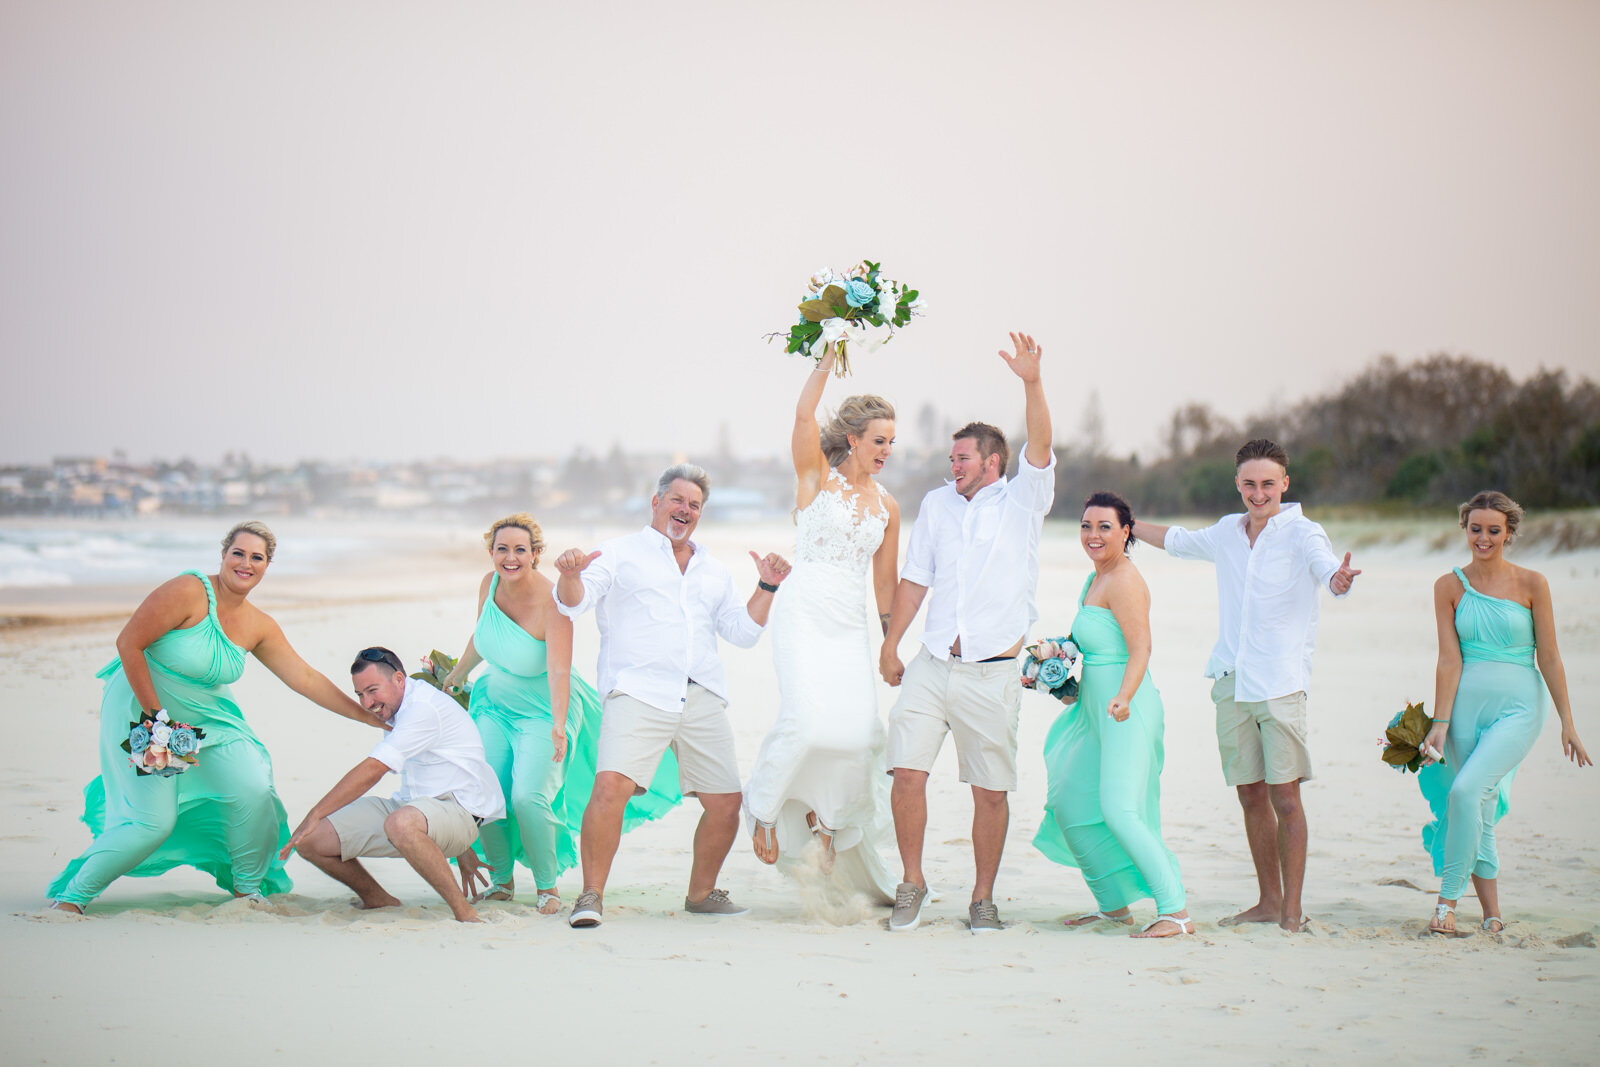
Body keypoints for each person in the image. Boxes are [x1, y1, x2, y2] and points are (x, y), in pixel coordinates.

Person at [46, 521, 389, 913]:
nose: (245, 563)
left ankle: (247, 889)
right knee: (153, 823)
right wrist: (157, 721)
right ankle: (71, 898)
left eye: (256, 557)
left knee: (253, 788)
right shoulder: (188, 592)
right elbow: (129, 643)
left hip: (208, 718)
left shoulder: (259, 625)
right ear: (224, 555)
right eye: (238, 553)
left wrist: (363, 716)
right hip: (146, 713)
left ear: (267, 566)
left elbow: (305, 678)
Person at [1132, 439, 1360, 932]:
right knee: (1250, 795)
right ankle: (1268, 902)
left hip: (1280, 684)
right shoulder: (1226, 533)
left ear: (1285, 484)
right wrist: (1126, 524)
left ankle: (1292, 912)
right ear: (1238, 484)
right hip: (1231, 681)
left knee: (1286, 798)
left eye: (1268, 484)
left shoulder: (1304, 533)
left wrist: (1339, 580)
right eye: (1250, 484)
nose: (1259, 494)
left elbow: (1327, 570)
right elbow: (1177, 540)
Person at [554, 464, 792, 928]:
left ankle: (701, 895)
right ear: (656, 502)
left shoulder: (713, 570)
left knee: (725, 804)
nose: (685, 510)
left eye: (694, 505)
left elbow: (742, 633)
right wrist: (569, 574)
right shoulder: (618, 554)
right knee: (610, 789)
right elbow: (573, 602)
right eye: (677, 500)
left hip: (700, 695)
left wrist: (767, 586)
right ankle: (591, 895)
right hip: (637, 691)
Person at [879, 332, 1055, 934]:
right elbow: (915, 580)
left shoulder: (1024, 501)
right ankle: (912, 882)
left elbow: (1041, 445)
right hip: (932, 665)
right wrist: (891, 644)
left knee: (989, 792)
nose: (952, 466)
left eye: (962, 459)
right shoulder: (937, 505)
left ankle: (983, 898)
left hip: (992, 673)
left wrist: (1032, 382)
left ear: (992, 462)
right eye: (951, 459)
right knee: (906, 772)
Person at [440, 514, 679, 914]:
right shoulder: (488, 584)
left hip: (544, 708)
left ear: (535, 554)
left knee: (528, 797)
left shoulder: (554, 603)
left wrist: (558, 723)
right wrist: (457, 675)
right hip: (493, 705)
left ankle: (546, 886)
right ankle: (501, 880)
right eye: (502, 549)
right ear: (491, 552)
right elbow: (482, 636)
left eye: (520, 550)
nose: (511, 558)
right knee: (487, 793)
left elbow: (559, 670)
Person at [743, 343, 901, 903]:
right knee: (808, 722)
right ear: (853, 439)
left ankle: (828, 819)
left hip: (849, 622)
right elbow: (804, 414)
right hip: (804, 610)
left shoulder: (887, 506)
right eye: (878, 440)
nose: (886, 451)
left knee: (858, 733)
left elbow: (885, 584)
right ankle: (763, 808)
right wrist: (828, 354)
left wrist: (890, 644)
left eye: (891, 442)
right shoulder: (816, 477)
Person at [1417, 491, 1590, 935]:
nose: (1484, 538)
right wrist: (1439, 724)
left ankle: (1446, 904)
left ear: (1509, 532)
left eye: (1494, 530)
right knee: (1481, 805)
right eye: (1476, 528)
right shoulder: (1448, 586)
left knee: (1465, 793)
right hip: (1463, 709)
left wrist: (1568, 721)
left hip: (1519, 708)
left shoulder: (1533, 583)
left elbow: (1549, 656)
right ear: (1465, 528)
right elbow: (1448, 660)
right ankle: (1492, 916)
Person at [1034, 492, 1190, 937]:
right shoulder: (1094, 578)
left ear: (1126, 531)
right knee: (1070, 803)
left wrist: (1123, 696)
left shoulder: (1124, 580)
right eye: (1086, 526)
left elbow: (1141, 648)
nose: (1093, 535)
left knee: (1120, 809)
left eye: (1105, 527)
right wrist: (1054, 669)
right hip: (1092, 712)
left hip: (1126, 709)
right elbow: (1084, 643)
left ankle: (1175, 913)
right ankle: (1113, 907)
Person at [280, 646, 506, 923]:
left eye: (372, 690)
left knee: (400, 823)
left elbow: (374, 769)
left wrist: (315, 812)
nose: (366, 703)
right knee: (310, 840)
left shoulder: (421, 708)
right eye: (360, 694)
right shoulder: (398, 707)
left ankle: (465, 912)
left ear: (399, 679)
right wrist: (315, 822)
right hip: (415, 808)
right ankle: (377, 898)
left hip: (458, 812)